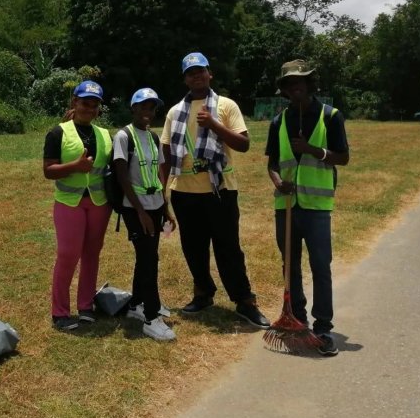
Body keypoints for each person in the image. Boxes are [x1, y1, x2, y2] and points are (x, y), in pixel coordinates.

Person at [160, 52, 269, 328]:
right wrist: (163, 193)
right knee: (193, 249)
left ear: (210, 74)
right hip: (184, 192)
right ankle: (203, 293)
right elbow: (167, 153)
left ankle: (244, 300)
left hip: (220, 190)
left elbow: (243, 145)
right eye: (190, 72)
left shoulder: (225, 106)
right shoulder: (175, 112)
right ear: (185, 78)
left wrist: (214, 125)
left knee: (229, 249)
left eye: (200, 70)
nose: (196, 76)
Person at [265, 59, 350, 356]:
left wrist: (314, 150)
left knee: (320, 266)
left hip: (316, 206)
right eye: (289, 83)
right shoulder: (278, 121)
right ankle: (296, 319)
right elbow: (272, 163)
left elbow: (343, 158)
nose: (295, 86)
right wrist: (277, 181)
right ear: (285, 89)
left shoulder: (331, 117)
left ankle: (323, 328)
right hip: (286, 205)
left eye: (300, 80)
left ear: (310, 83)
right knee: (290, 266)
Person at [43, 80, 113, 331]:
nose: (89, 108)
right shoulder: (57, 133)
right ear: (75, 102)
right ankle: (60, 312)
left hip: (99, 204)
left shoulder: (105, 135)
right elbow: (48, 171)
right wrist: (75, 166)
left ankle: (86, 306)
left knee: (91, 255)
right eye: (85, 103)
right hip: (69, 203)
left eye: (94, 105)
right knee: (68, 255)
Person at [113, 87, 176, 341]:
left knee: (149, 257)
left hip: (155, 205)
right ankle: (151, 317)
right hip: (135, 208)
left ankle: (136, 304)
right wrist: (140, 211)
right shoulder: (123, 136)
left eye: (152, 107)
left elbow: (159, 173)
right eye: (143, 107)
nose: (148, 112)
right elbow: (121, 175)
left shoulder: (152, 137)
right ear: (134, 108)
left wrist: (166, 208)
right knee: (149, 259)